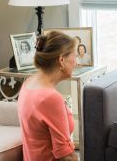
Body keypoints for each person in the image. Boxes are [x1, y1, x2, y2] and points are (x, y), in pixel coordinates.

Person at [18, 31, 79, 161]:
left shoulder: (29, 82)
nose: (77, 62)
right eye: (75, 56)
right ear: (62, 60)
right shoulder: (51, 98)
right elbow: (66, 156)